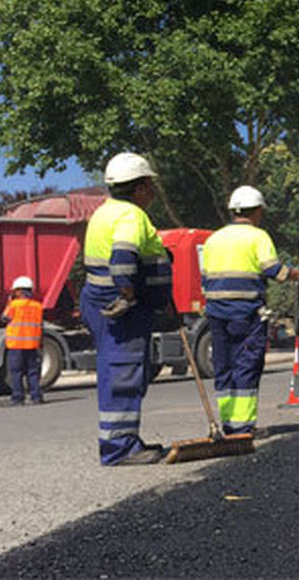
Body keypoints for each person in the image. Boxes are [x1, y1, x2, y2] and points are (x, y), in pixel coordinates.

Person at [201, 186, 299, 437]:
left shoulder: (213, 239)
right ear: (256, 211)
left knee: (224, 368)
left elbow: (205, 278)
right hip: (245, 313)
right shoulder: (257, 237)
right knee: (246, 365)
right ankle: (243, 426)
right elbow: (276, 272)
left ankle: (229, 423)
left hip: (216, 314)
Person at [81, 152, 173, 465]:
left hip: (100, 301)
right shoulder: (131, 217)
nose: (153, 191)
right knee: (123, 372)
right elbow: (122, 259)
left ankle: (124, 440)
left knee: (121, 370)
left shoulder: (103, 212)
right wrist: (128, 294)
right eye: (150, 185)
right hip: (121, 308)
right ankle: (119, 448)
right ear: (139, 188)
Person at [0, 276, 44, 407]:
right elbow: (40, 326)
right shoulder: (37, 306)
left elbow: (4, 318)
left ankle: (18, 398)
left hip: (16, 345)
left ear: (19, 291)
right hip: (32, 344)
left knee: (16, 372)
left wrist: (9, 302)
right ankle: (36, 397)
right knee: (32, 371)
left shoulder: (14, 305)